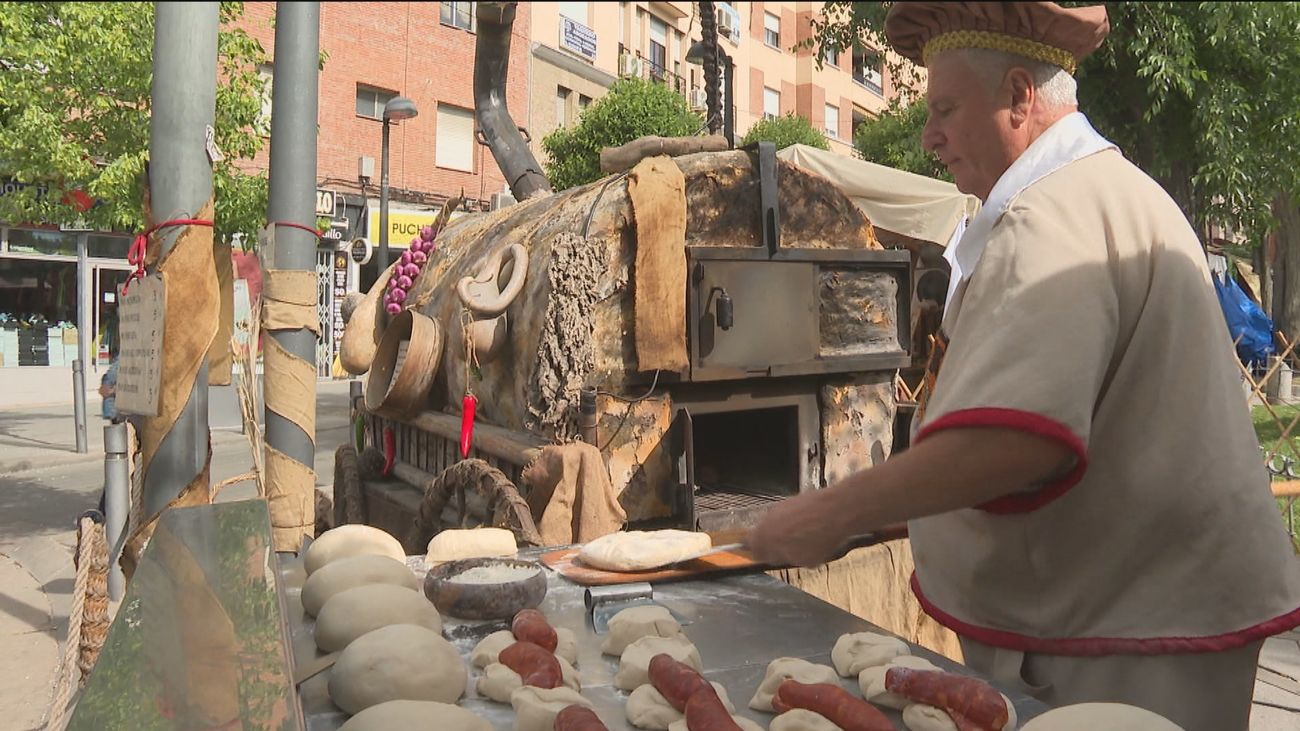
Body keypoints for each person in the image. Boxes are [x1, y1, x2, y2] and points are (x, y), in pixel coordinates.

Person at [746, 3, 1300, 730]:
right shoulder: (1107, 191)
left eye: (945, 109)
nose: (929, 136)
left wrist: (828, 513)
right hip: (1148, 613)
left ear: (1017, 95)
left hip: (1127, 634)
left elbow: (1013, 438)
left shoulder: (1052, 216)